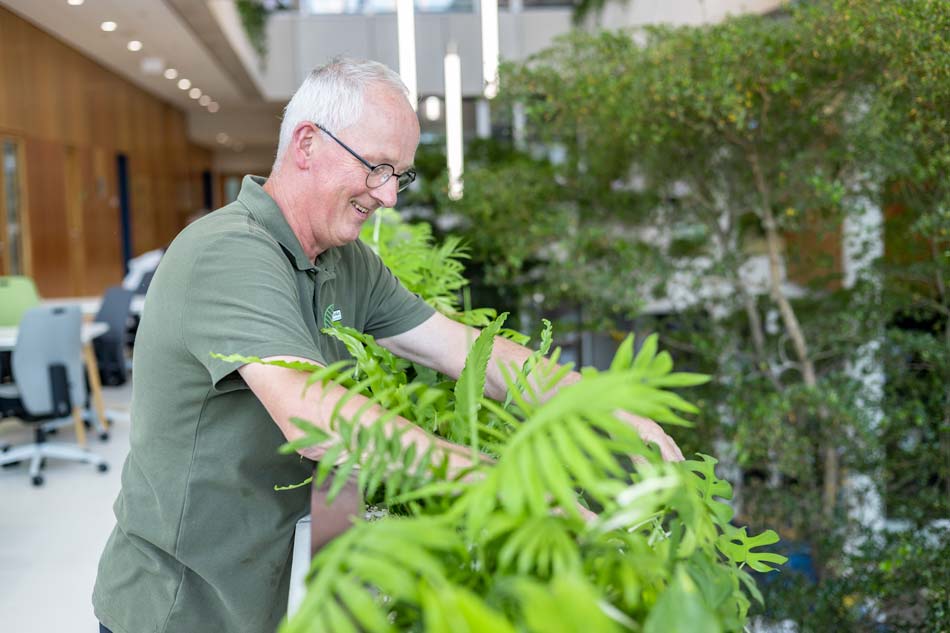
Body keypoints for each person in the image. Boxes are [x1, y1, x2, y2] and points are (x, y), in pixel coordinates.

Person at [92, 57, 683, 633]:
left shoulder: (344, 261)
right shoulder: (228, 252)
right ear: (306, 144)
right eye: (377, 167)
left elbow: (463, 350)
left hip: (255, 595)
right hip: (175, 606)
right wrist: (506, 487)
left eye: (399, 175)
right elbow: (315, 417)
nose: (390, 196)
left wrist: (601, 411)